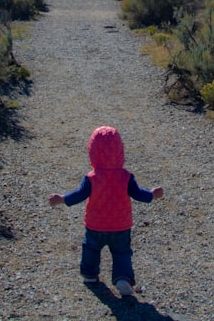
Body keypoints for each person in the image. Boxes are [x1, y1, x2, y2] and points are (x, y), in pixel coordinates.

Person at [49, 125, 164, 296]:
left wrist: (62, 199)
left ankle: (89, 274)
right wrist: (152, 195)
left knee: (91, 248)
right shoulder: (126, 177)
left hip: (95, 224)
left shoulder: (91, 178)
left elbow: (80, 195)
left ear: (92, 151)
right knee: (122, 252)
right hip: (121, 225)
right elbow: (138, 194)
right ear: (120, 151)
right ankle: (123, 278)